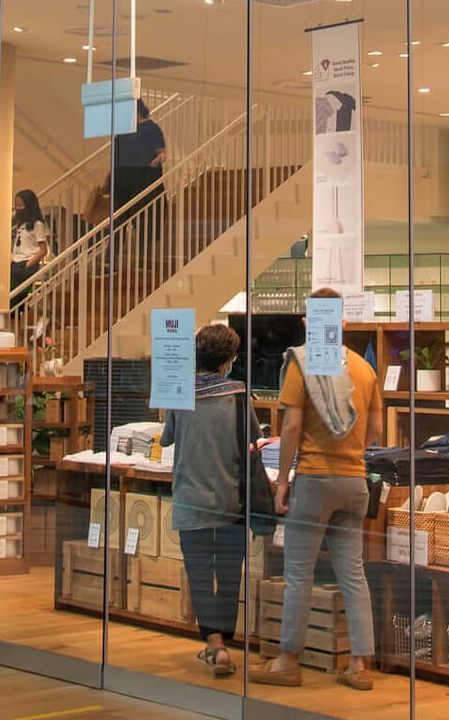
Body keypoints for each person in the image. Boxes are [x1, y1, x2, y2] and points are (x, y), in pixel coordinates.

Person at [258, 288, 382, 691]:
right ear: (343, 323)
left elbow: (292, 426)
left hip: (313, 479)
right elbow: (376, 430)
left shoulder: (302, 364)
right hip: (355, 481)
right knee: (353, 573)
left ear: (308, 323)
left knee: (298, 574)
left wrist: (282, 482)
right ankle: (359, 665)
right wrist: (351, 454)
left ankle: (287, 661)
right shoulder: (364, 369)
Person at [160, 322, 256, 679]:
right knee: (229, 575)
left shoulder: (180, 393)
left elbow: (167, 438)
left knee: (200, 574)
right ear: (227, 360)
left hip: (191, 497)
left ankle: (215, 645)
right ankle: (222, 644)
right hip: (231, 499)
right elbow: (252, 439)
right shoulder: (238, 394)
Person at [111, 98, 167, 268]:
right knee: (117, 222)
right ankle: (110, 262)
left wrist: (159, 158)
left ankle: (145, 260)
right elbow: (116, 158)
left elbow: (161, 152)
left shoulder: (151, 128)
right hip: (122, 179)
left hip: (143, 178)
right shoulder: (123, 131)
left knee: (144, 221)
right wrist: (108, 179)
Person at [10, 189, 53, 297]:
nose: (17, 208)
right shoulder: (19, 224)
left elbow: (43, 249)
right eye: (16, 205)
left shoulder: (37, 224)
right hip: (15, 261)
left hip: (26, 262)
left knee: (20, 296)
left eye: (20, 205)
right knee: (12, 296)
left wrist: (28, 264)